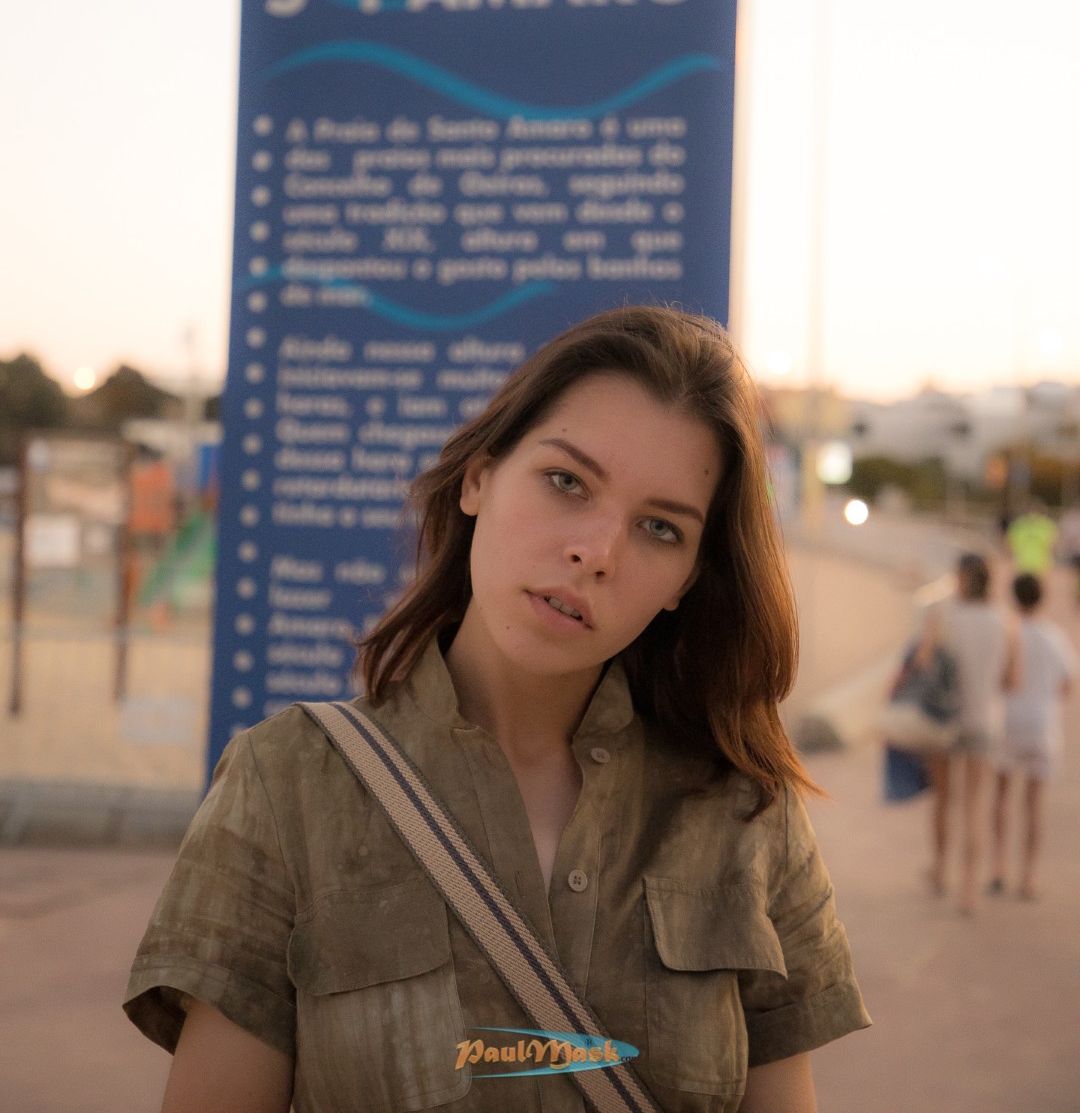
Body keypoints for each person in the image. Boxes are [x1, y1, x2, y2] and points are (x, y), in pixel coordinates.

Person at [124, 305, 871, 1113]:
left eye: (659, 528)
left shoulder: (747, 813)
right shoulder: (286, 783)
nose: (596, 551)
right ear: (479, 478)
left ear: (686, 581)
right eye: (567, 482)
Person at [919, 552, 1021, 915]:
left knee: (943, 800)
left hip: (945, 721)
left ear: (961, 579)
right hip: (984, 722)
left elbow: (923, 663)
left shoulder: (942, 615)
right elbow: (1012, 680)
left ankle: (939, 871)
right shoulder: (1006, 620)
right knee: (975, 806)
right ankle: (968, 890)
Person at [988, 573, 1078, 899]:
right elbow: (1067, 684)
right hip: (1041, 725)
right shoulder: (1055, 637)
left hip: (1008, 721)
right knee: (1033, 803)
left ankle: (998, 866)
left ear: (1013, 596)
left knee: (1001, 798)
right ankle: (1028, 876)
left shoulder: (1006, 633)